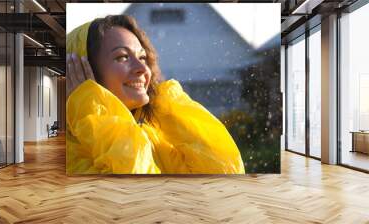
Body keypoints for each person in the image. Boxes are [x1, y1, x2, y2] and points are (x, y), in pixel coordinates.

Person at [66, 15, 245, 174]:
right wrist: (91, 105)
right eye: (122, 57)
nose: (143, 69)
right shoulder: (71, 154)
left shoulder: (155, 136)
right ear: (82, 70)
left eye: (142, 57)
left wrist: (165, 104)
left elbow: (226, 171)